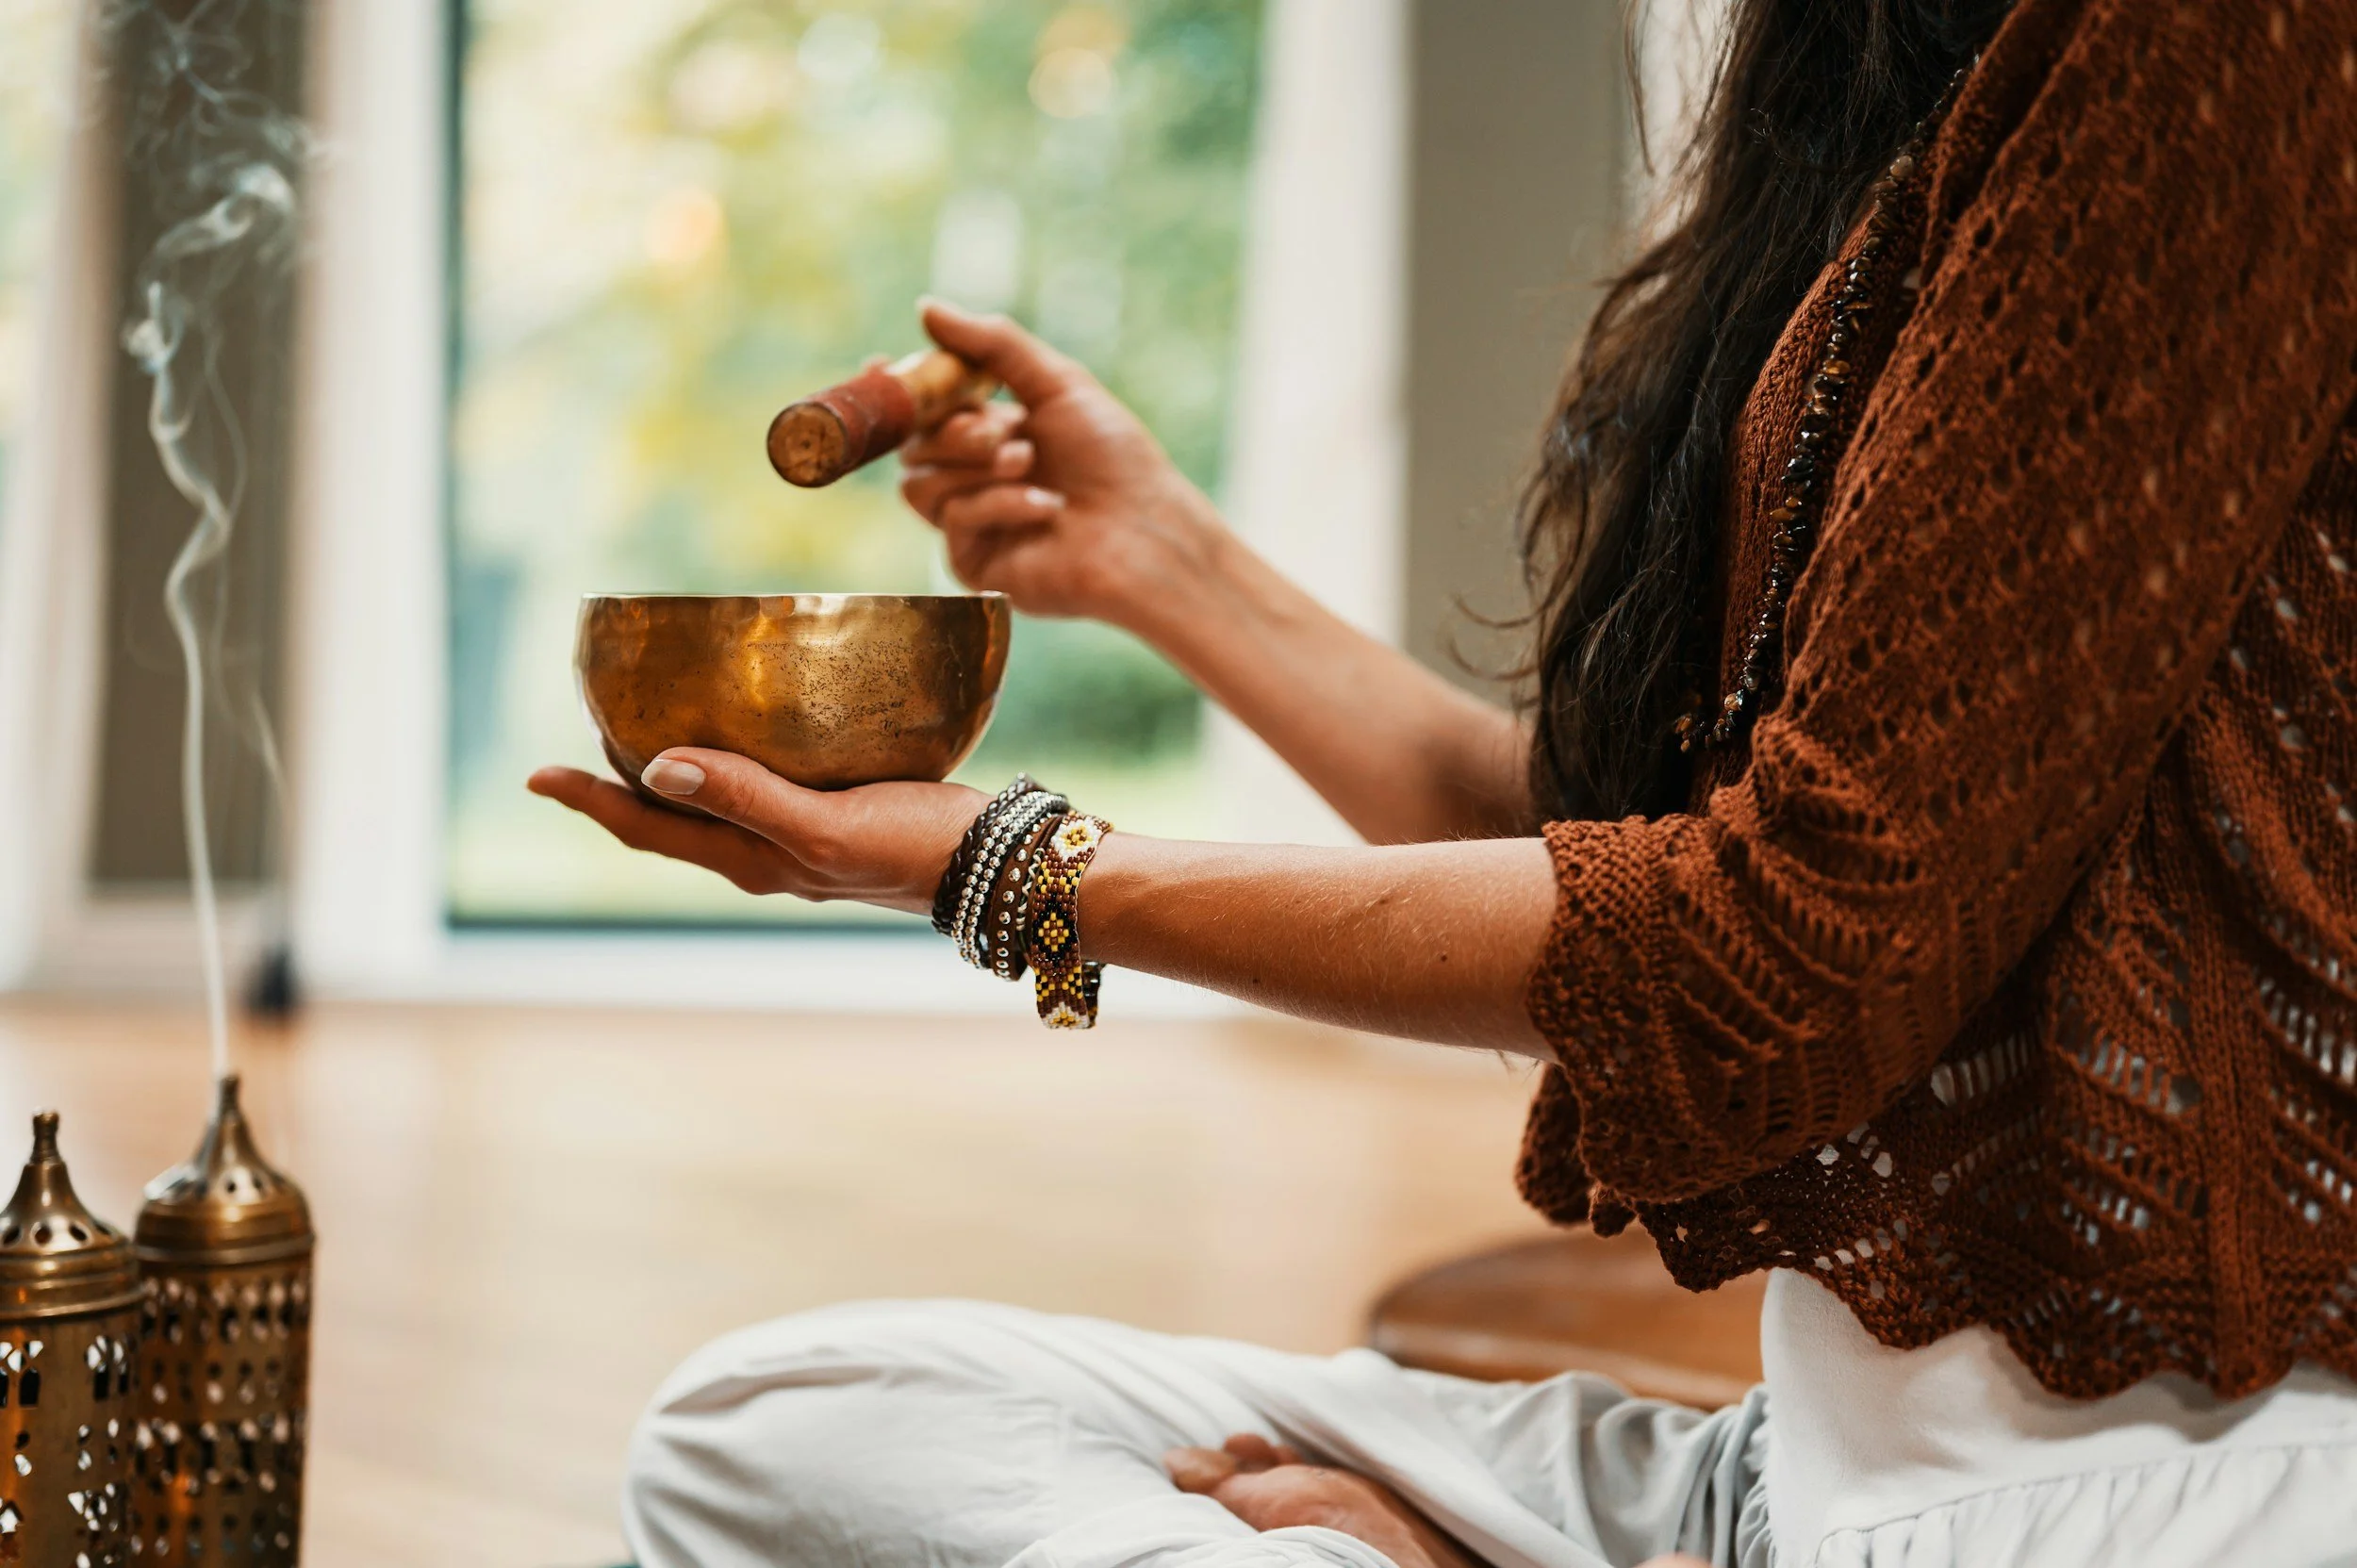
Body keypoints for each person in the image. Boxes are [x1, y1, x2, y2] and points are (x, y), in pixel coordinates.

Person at [527, 0, 2357, 1561]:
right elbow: (1639, 880)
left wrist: (1008, 871)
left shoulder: (2216, 39)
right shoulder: (1924, 88)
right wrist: (1159, 559)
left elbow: (1778, 946)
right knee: (783, 1426)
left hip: (2113, 1506)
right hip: (1780, 1490)